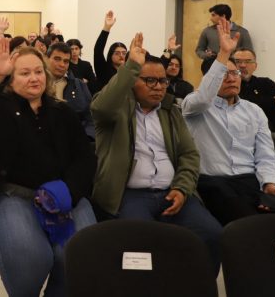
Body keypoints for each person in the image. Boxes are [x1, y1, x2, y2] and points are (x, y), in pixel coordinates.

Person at [0, 40, 96, 297]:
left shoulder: (62, 112)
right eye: (24, 73)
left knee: (76, 255)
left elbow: (84, 159)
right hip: (12, 195)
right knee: (32, 258)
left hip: (63, 194)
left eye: (38, 71)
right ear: (11, 80)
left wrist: (68, 192)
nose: (34, 78)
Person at [90, 32, 222, 269]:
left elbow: (189, 154)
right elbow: (101, 107)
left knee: (211, 234)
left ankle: (195, 285)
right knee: (142, 245)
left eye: (162, 81)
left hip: (173, 191)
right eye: (150, 80)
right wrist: (131, 66)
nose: (158, 87)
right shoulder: (116, 111)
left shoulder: (170, 111)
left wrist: (182, 188)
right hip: (130, 195)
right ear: (133, 81)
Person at [182, 20, 275, 225]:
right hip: (214, 182)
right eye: (224, 74)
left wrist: (269, 182)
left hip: (251, 179)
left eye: (235, 73)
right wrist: (224, 53)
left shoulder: (253, 111)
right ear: (209, 78)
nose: (232, 79)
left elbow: (265, 154)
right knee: (251, 224)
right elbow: (204, 97)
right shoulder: (194, 106)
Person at [47, 42, 95, 138]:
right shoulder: (37, 84)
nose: (62, 64)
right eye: (57, 59)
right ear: (46, 59)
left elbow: (90, 117)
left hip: (74, 139)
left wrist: (86, 137)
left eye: (66, 61)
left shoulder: (79, 85)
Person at [233, 47, 275, 134]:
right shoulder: (229, 85)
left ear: (255, 66)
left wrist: (262, 103)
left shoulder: (266, 83)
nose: (243, 65)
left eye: (248, 61)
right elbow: (241, 108)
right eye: (238, 61)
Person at [92, 10, 127, 93]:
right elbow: (98, 50)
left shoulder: (128, 72)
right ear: (111, 55)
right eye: (117, 53)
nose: (121, 55)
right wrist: (106, 28)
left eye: (124, 53)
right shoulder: (104, 69)